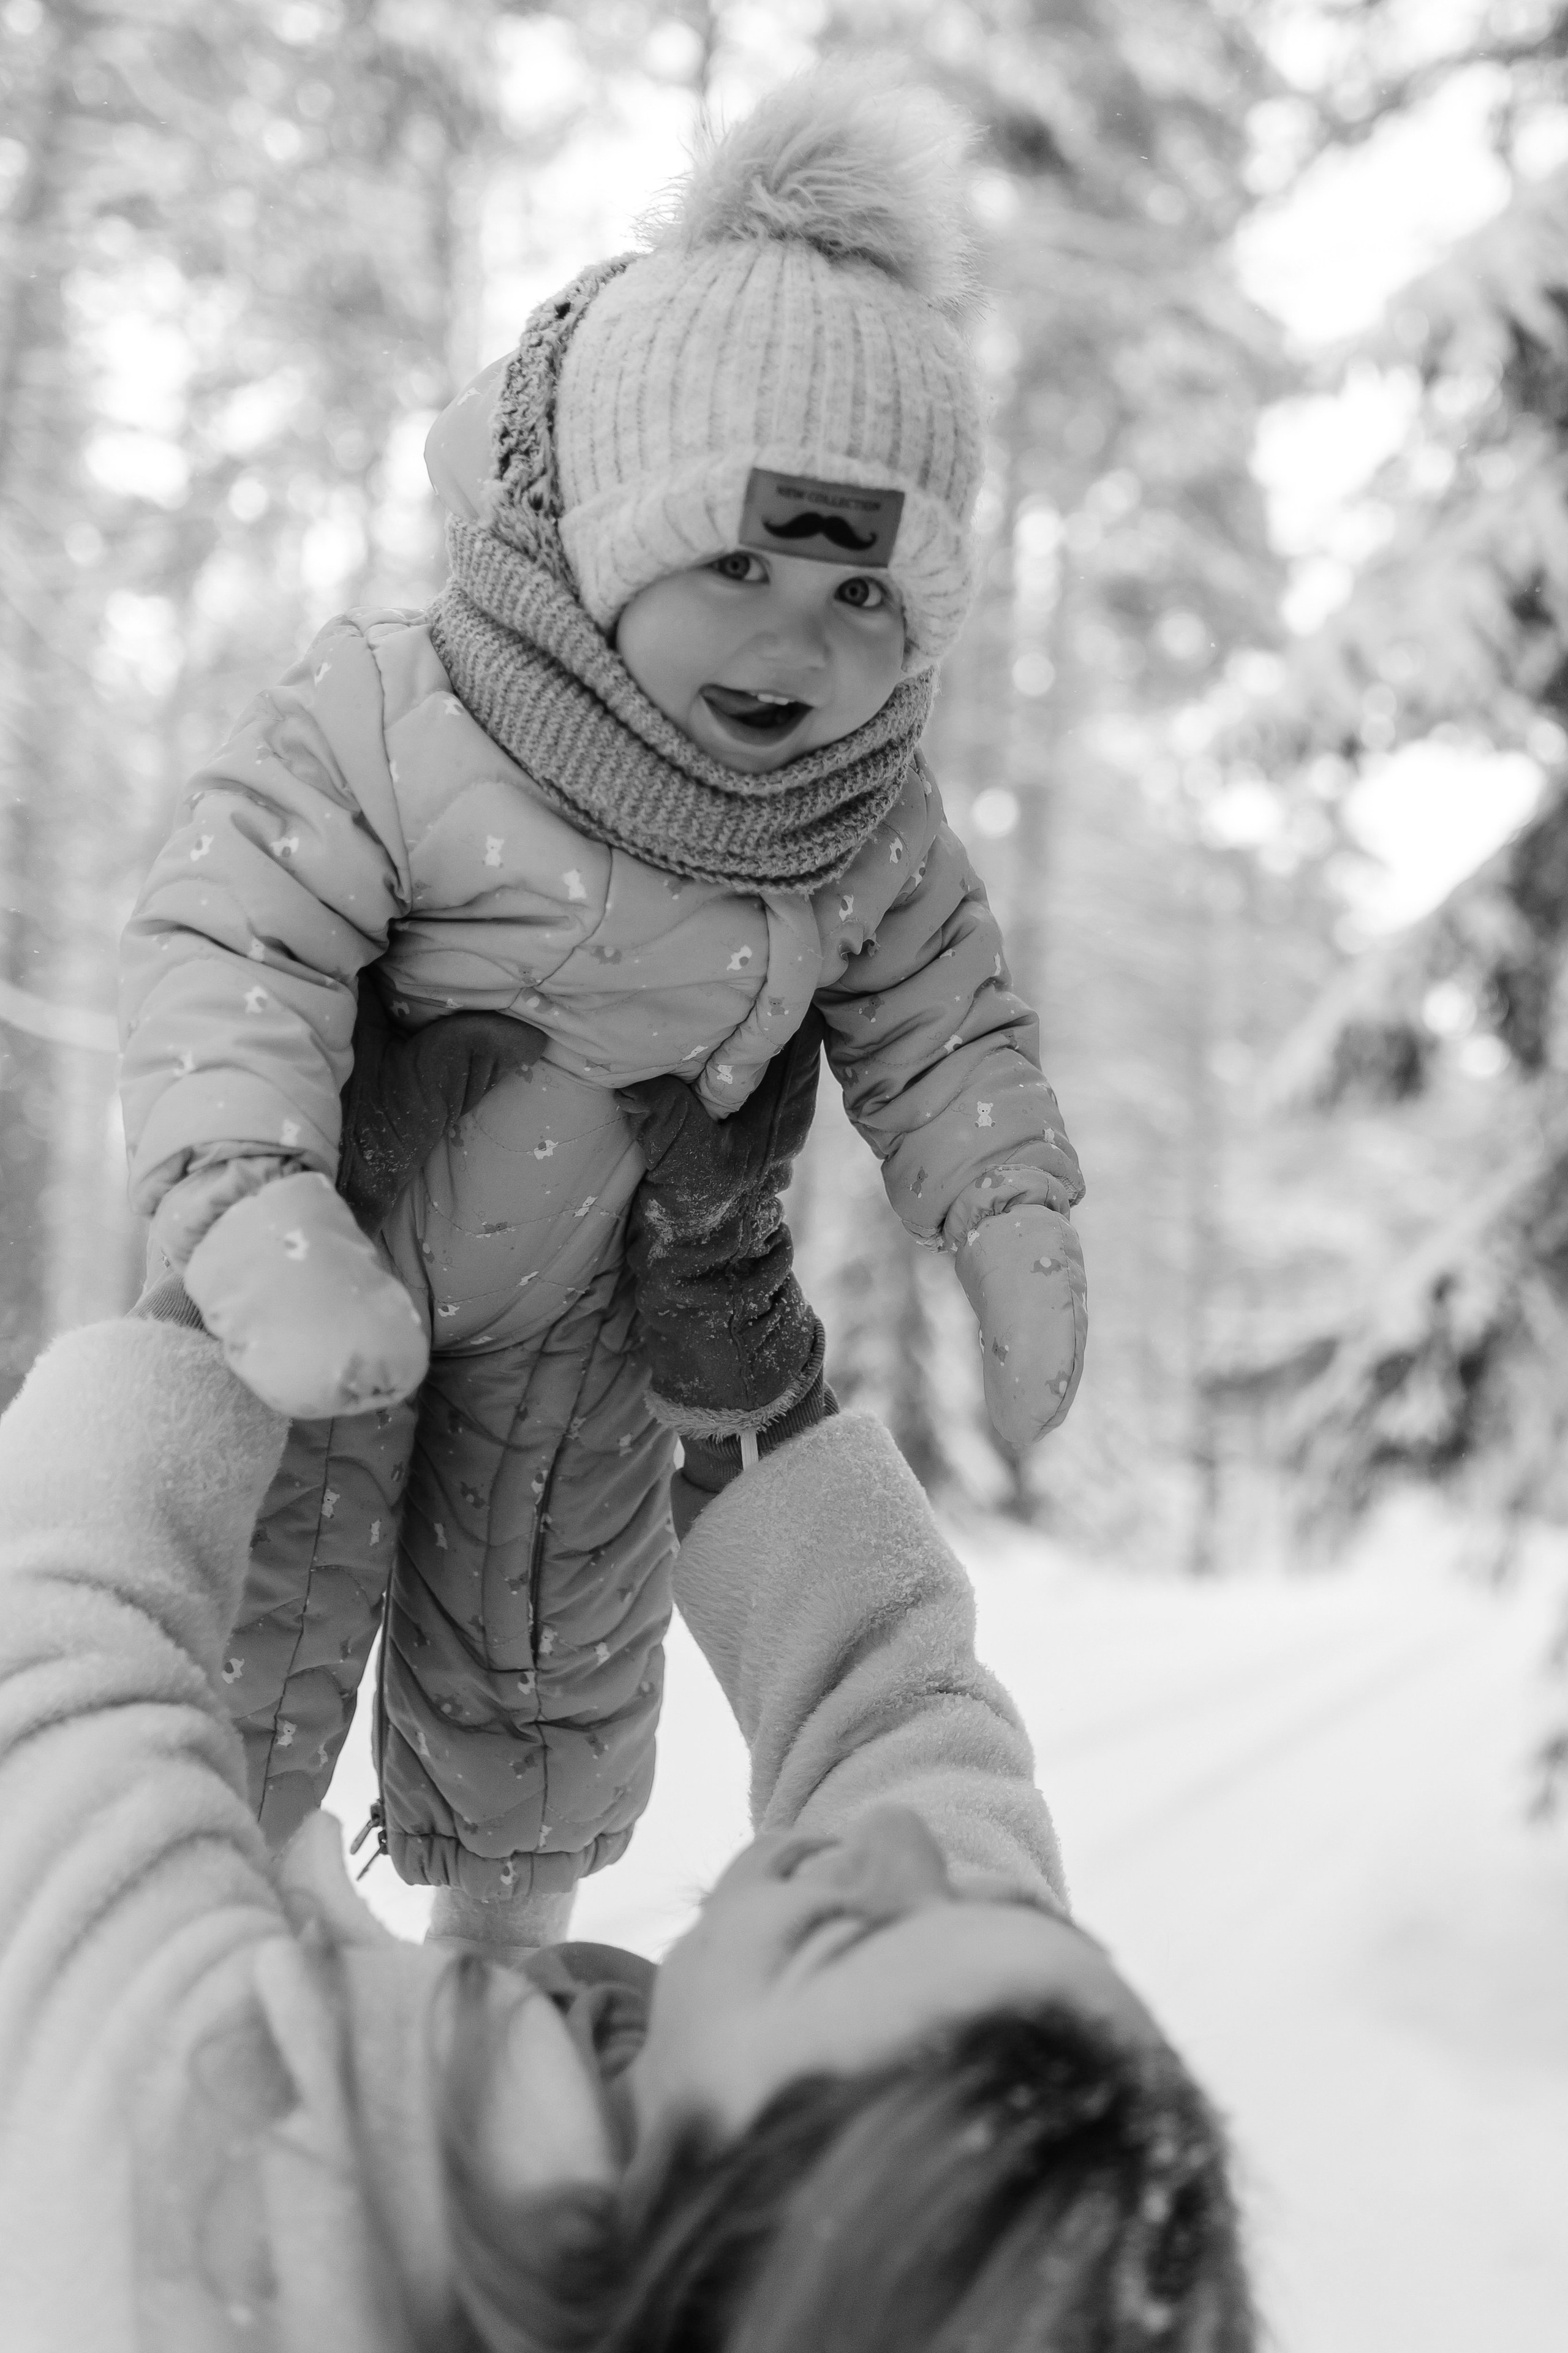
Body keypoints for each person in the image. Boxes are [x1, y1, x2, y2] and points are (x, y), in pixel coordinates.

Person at [116, 75, 1089, 1933]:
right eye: (742, 562)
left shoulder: (862, 819)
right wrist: (248, 1200)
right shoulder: (411, 708)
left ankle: (503, 1960)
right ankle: (231, 1938)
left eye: (864, 591)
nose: (799, 642)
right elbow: (230, 936)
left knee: (542, 1656)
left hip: (598, 1332)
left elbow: (944, 1020)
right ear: (615, 537)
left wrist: (1009, 1203)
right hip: (336, 1247)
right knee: (256, 1614)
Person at [0, 1290, 1253, 2353]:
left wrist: (213, 1302)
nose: (890, 1851)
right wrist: (769, 1432)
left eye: (841, 1933)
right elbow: (912, 1747)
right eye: (989, 1915)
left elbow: (50, 1695)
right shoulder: (943, 2101)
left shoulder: (225, 2191)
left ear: (683, 2233)